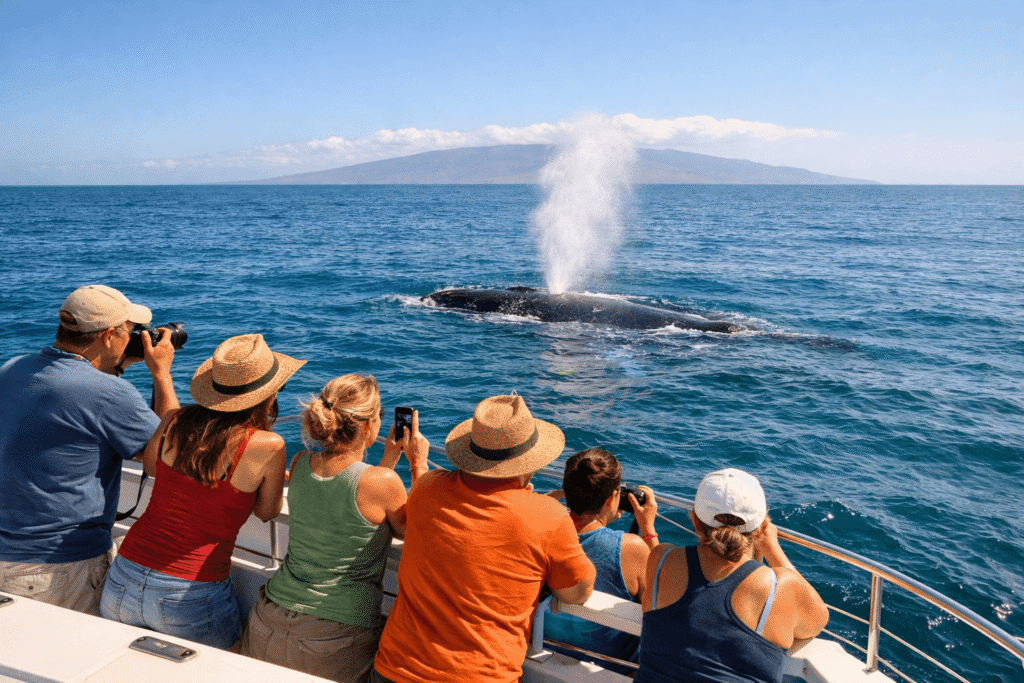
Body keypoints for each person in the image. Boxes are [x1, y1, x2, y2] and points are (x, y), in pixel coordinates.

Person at [371, 393, 597, 683]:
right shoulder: (549, 517)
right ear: (531, 462)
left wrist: (417, 463)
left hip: (395, 669)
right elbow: (578, 592)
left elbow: (419, 508)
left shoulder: (426, 489)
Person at [100, 333, 304, 650]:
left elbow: (154, 467)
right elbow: (267, 512)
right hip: (191, 593)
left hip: (123, 577)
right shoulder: (267, 445)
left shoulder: (174, 419)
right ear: (267, 395)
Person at [0, 284, 179, 614]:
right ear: (108, 335)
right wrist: (161, 374)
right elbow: (167, 458)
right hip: (57, 567)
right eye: (129, 332)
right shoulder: (109, 393)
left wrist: (117, 365)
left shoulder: (13, 368)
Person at [240, 374, 430, 683]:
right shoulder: (381, 482)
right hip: (335, 636)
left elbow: (348, 489)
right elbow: (420, 528)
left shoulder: (301, 462)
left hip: (268, 618)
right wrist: (417, 463)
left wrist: (387, 460)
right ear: (368, 426)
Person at [635, 468, 830, 683]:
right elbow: (818, 620)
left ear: (695, 521)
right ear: (761, 528)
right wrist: (772, 548)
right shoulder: (781, 587)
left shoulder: (662, 558)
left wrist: (647, 527)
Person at [542, 448, 659, 674]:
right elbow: (663, 605)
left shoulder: (541, 532)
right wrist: (648, 528)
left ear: (567, 491)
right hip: (611, 669)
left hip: (544, 651)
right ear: (612, 498)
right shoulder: (632, 548)